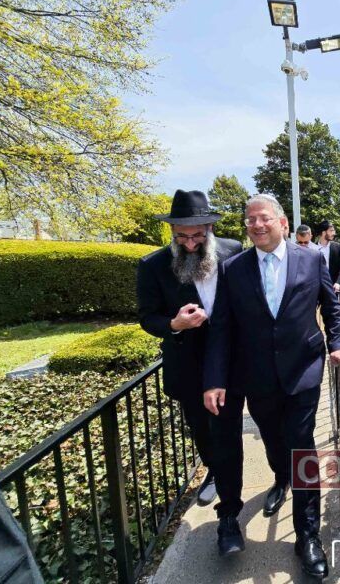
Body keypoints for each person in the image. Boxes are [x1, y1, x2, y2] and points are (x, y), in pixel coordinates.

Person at [204, 194, 340, 577]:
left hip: (303, 370)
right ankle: (280, 477)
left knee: (302, 446)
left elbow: (329, 305)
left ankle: (307, 535)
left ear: (283, 223)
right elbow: (221, 328)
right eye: (250, 219)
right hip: (257, 377)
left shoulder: (312, 259)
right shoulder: (233, 269)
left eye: (264, 218)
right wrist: (216, 379)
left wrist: (337, 342)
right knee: (273, 440)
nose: (256, 224)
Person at [136, 190, 242, 508]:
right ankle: (214, 469)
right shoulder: (153, 265)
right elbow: (147, 318)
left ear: (210, 228)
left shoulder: (233, 251)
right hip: (187, 363)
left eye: (197, 236)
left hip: (229, 360)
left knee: (228, 426)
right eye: (181, 236)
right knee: (201, 427)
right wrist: (175, 324)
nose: (190, 244)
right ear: (172, 231)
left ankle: (229, 483)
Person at [316, 219, 340, 294]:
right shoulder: (312, 248)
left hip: (333, 288)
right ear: (323, 232)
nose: (334, 233)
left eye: (334, 231)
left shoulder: (338, 247)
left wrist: (338, 282)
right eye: (331, 231)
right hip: (317, 289)